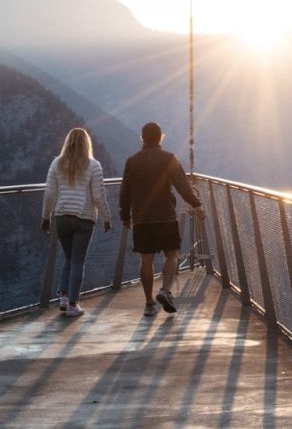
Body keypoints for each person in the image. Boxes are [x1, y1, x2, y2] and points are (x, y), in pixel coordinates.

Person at [120, 122, 205, 317]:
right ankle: (165, 290)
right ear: (161, 138)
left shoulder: (132, 161)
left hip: (141, 218)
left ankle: (149, 304)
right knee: (171, 255)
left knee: (146, 259)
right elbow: (183, 186)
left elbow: (125, 192)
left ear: (142, 138)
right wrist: (197, 204)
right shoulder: (169, 159)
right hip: (166, 216)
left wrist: (125, 216)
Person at [42, 128, 111, 317]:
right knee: (78, 261)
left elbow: (49, 194)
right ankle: (73, 303)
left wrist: (45, 218)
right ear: (87, 144)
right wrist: (106, 217)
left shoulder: (57, 164)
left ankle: (63, 297)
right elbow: (98, 196)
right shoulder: (94, 165)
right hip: (84, 218)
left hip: (61, 218)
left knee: (69, 257)